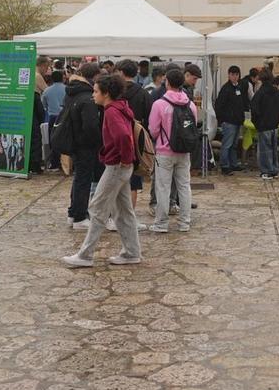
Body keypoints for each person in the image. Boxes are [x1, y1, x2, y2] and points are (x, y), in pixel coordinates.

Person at [62, 74, 141, 267]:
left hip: (116, 166)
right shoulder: (120, 108)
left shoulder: (112, 112)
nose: (93, 95)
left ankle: (85, 255)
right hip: (121, 166)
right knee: (124, 211)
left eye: (96, 91)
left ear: (106, 93)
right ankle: (132, 252)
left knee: (98, 208)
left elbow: (123, 136)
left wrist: (123, 159)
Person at [148, 67, 199, 233]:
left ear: (167, 82)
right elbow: (194, 126)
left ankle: (161, 223)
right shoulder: (190, 105)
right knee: (184, 186)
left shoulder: (159, 104)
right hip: (184, 151)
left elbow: (153, 129)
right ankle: (185, 222)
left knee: (163, 187)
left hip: (164, 151)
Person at [64, 63, 103, 230]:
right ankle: (79, 216)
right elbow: (91, 126)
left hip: (74, 142)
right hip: (85, 145)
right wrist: (97, 141)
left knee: (79, 178)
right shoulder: (87, 97)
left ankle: (73, 214)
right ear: (94, 77)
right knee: (83, 180)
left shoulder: (72, 92)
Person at [118, 60, 152, 210]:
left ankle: (115, 214)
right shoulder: (143, 92)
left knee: (116, 176)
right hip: (136, 138)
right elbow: (149, 117)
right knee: (134, 179)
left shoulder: (115, 92)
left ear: (121, 73)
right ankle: (129, 214)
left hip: (117, 137)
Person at [214, 65, 250, 175]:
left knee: (234, 145)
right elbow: (219, 106)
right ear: (228, 75)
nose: (235, 77)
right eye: (232, 74)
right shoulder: (226, 89)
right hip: (229, 122)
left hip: (238, 121)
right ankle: (225, 166)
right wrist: (223, 119)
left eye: (237, 75)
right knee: (227, 144)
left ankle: (233, 164)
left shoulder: (239, 87)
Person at [250, 69, 279, 181]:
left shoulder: (260, 93)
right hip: (274, 124)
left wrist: (257, 123)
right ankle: (274, 169)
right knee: (274, 149)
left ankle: (267, 171)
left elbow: (254, 109)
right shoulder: (278, 93)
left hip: (264, 125)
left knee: (265, 150)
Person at [42, 69, 66, 168]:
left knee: (53, 141)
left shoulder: (47, 90)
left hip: (52, 117)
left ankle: (55, 163)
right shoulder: (67, 89)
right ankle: (65, 163)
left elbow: (44, 104)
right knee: (65, 139)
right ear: (62, 78)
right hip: (65, 117)